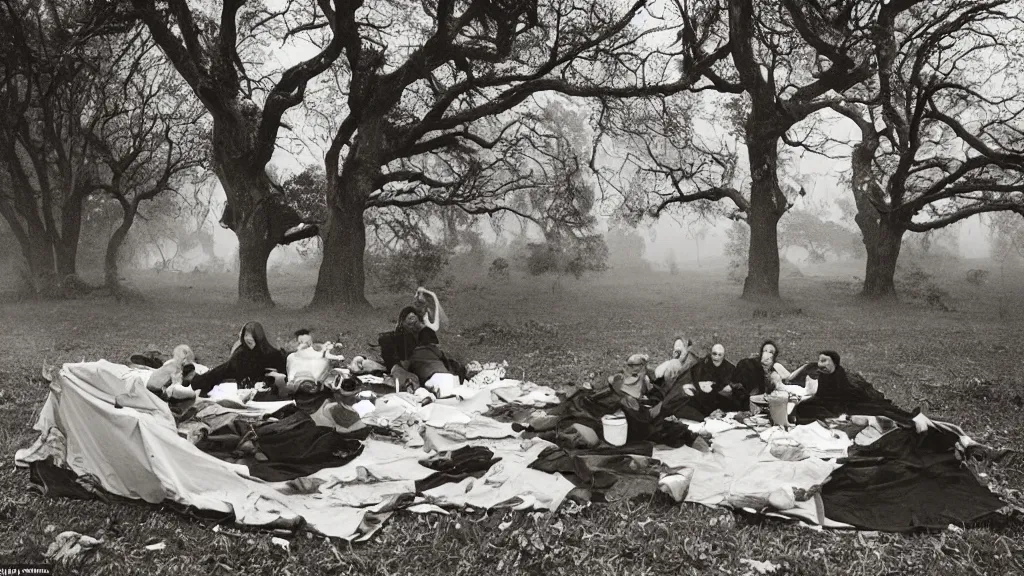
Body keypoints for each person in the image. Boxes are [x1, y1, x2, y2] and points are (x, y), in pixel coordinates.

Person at [189, 322, 287, 397]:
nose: (248, 339)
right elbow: (222, 371)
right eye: (246, 335)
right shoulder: (241, 354)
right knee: (213, 376)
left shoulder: (272, 354)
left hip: (268, 393)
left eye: (252, 335)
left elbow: (283, 375)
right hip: (244, 392)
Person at [728, 340, 784, 409]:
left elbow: (777, 388)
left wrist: (767, 372)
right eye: (765, 351)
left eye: (771, 352)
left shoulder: (775, 369)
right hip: (745, 399)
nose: (767, 354)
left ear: (774, 356)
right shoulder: (750, 364)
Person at [686, 343, 737, 416]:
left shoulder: (730, 368)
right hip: (705, 400)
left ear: (723, 356)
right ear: (711, 354)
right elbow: (694, 378)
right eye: (714, 354)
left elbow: (730, 387)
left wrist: (712, 385)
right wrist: (701, 385)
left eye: (720, 355)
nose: (716, 357)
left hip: (722, 401)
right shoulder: (703, 365)